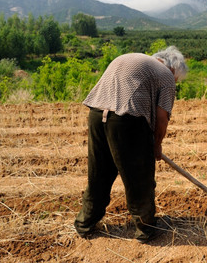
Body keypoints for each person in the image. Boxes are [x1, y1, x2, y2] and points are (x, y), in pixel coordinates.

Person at [74, 46, 188, 242]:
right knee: (140, 177)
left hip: (96, 115)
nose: (174, 82)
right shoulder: (166, 75)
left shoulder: (135, 60)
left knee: (99, 173)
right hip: (126, 121)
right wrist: (156, 145)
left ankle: (85, 224)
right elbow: (162, 119)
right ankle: (146, 229)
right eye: (177, 79)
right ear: (173, 69)